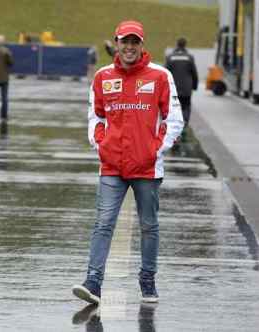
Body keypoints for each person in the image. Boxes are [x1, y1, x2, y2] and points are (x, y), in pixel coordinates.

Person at [72, 20, 184, 305]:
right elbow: (95, 117)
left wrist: (155, 150)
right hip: (112, 166)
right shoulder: (102, 76)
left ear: (142, 44)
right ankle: (93, 282)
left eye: (135, 42)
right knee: (102, 224)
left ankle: (147, 280)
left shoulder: (160, 76)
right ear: (117, 43)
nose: (130, 47)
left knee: (149, 226)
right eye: (125, 41)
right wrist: (102, 146)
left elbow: (174, 120)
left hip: (147, 167)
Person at [165, 37, 198, 126]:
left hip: (174, 88)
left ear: (177, 44)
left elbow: (165, 73)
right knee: (186, 106)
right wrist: (195, 86)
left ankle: (175, 124)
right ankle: (185, 124)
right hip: (187, 88)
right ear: (185, 45)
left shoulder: (170, 57)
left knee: (174, 106)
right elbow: (194, 73)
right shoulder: (189, 57)